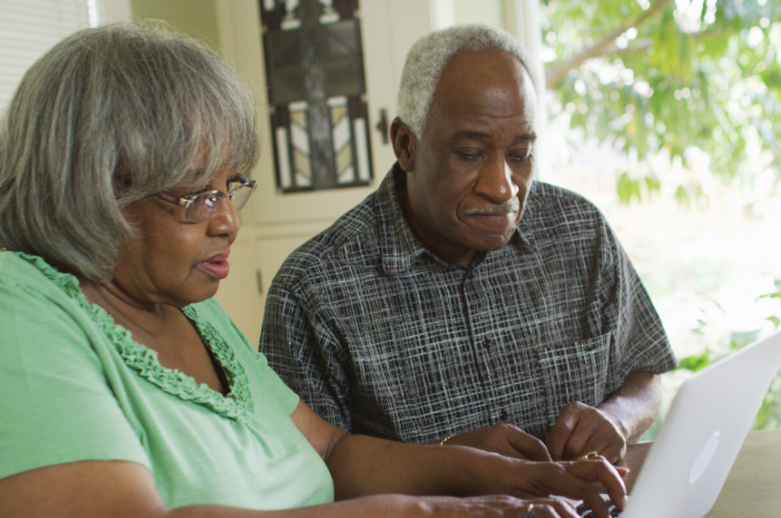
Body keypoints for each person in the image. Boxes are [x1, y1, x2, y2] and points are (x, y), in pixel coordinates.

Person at [0, 23, 629, 518]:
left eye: (233, 184)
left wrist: (490, 477)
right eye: (195, 197)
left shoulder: (188, 310)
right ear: (90, 192)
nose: (230, 221)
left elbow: (329, 451)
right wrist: (426, 517)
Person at [260, 24, 677, 465]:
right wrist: (445, 465)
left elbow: (643, 374)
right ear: (406, 145)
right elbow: (305, 475)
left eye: (519, 155)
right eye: (470, 154)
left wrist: (619, 418)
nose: (502, 188)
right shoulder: (313, 290)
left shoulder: (579, 231)